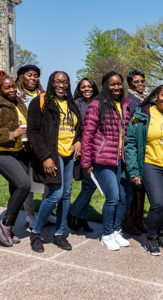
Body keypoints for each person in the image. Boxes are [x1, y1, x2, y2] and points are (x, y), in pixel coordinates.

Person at [27, 71, 82, 253]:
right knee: (55, 195)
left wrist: (78, 141)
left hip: (68, 156)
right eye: (57, 81)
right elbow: (33, 132)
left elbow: (78, 127)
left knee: (66, 195)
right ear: (51, 82)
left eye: (65, 82)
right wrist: (45, 157)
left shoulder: (70, 103)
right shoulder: (39, 102)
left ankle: (59, 234)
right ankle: (35, 233)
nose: (61, 85)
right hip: (53, 155)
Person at [81, 71, 133, 251]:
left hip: (120, 160)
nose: (116, 87)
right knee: (112, 197)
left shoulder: (126, 105)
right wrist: (86, 162)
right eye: (112, 84)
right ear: (105, 86)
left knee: (124, 197)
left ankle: (117, 230)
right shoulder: (97, 105)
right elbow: (87, 135)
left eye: (119, 84)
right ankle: (107, 234)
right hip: (102, 159)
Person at [124, 84, 163, 256]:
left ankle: (162, 233)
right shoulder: (142, 113)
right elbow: (131, 142)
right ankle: (151, 238)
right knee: (158, 203)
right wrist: (133, 171)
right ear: (156, 95)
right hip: (150, 163)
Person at [15, 65, 55, 230]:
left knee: (48, 178)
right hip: (24, 144)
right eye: (29, 75)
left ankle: (46, 213)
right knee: (28, 181)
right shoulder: (15, 94)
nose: (33, 78)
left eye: (36, 75)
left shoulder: (44, 95)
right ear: (21, 77)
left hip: (41, 142)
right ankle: (30, 215)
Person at [0, 71, 31, 247]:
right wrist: (14, 133)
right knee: (24, 185)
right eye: (7, 87)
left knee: (15, 190)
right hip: (3, 152)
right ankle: (5, 225)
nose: (12, 89)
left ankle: (7, 226)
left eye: (13, 86)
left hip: (19, 151)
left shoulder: (19, 103)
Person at [67, 78, 99, 232]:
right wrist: (78, 141)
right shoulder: (75, 103)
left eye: (89, 86)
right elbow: (75, 126)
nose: (87, 89)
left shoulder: (99, 101)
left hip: (97, 148)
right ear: (79, 89)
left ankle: (82, 219)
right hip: (83, 147)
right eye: (83, 87)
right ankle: (72, 213)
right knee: (90, 184)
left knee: (88, 184)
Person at [123, 69, 148, 235]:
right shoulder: (129, 100)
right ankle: (128, 220)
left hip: (146, 146)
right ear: (130, 84)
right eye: (136, 82)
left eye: (142, 81)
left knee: (142, 186)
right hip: (133, 145)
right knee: (132, 184)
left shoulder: (147, 98)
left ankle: (139, 218)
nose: (140, 84)